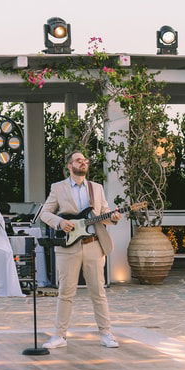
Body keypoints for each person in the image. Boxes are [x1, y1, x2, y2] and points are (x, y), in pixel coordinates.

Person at [40, 149, 121, 350]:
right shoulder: (58, 188)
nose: (83, 162)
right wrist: (60, 223)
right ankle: (59, 335)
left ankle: (106, 333)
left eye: (84, 160)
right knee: (66, 292)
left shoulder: (97, 188)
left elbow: (103, 214)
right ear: (69, 166)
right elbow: (44, 214)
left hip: (94, 244)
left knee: (98, 292)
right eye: (78, 160)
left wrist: (113, 217)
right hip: (68, 247)